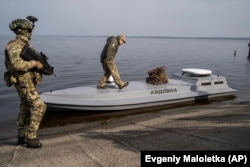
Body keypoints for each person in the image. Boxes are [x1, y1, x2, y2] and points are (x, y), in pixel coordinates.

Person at [4, 17, 47, 148]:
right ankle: (31, 138)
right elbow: (16, 65)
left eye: (30, 29)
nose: (30, 32)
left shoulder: (24, 46)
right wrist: (34, 64)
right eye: (28, 29)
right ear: (20, 30)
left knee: (25, 108)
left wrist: (41, 68)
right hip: (23, 82)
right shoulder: (14, 46)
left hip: (27, 82)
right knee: (40, 106)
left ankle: (21, 136)